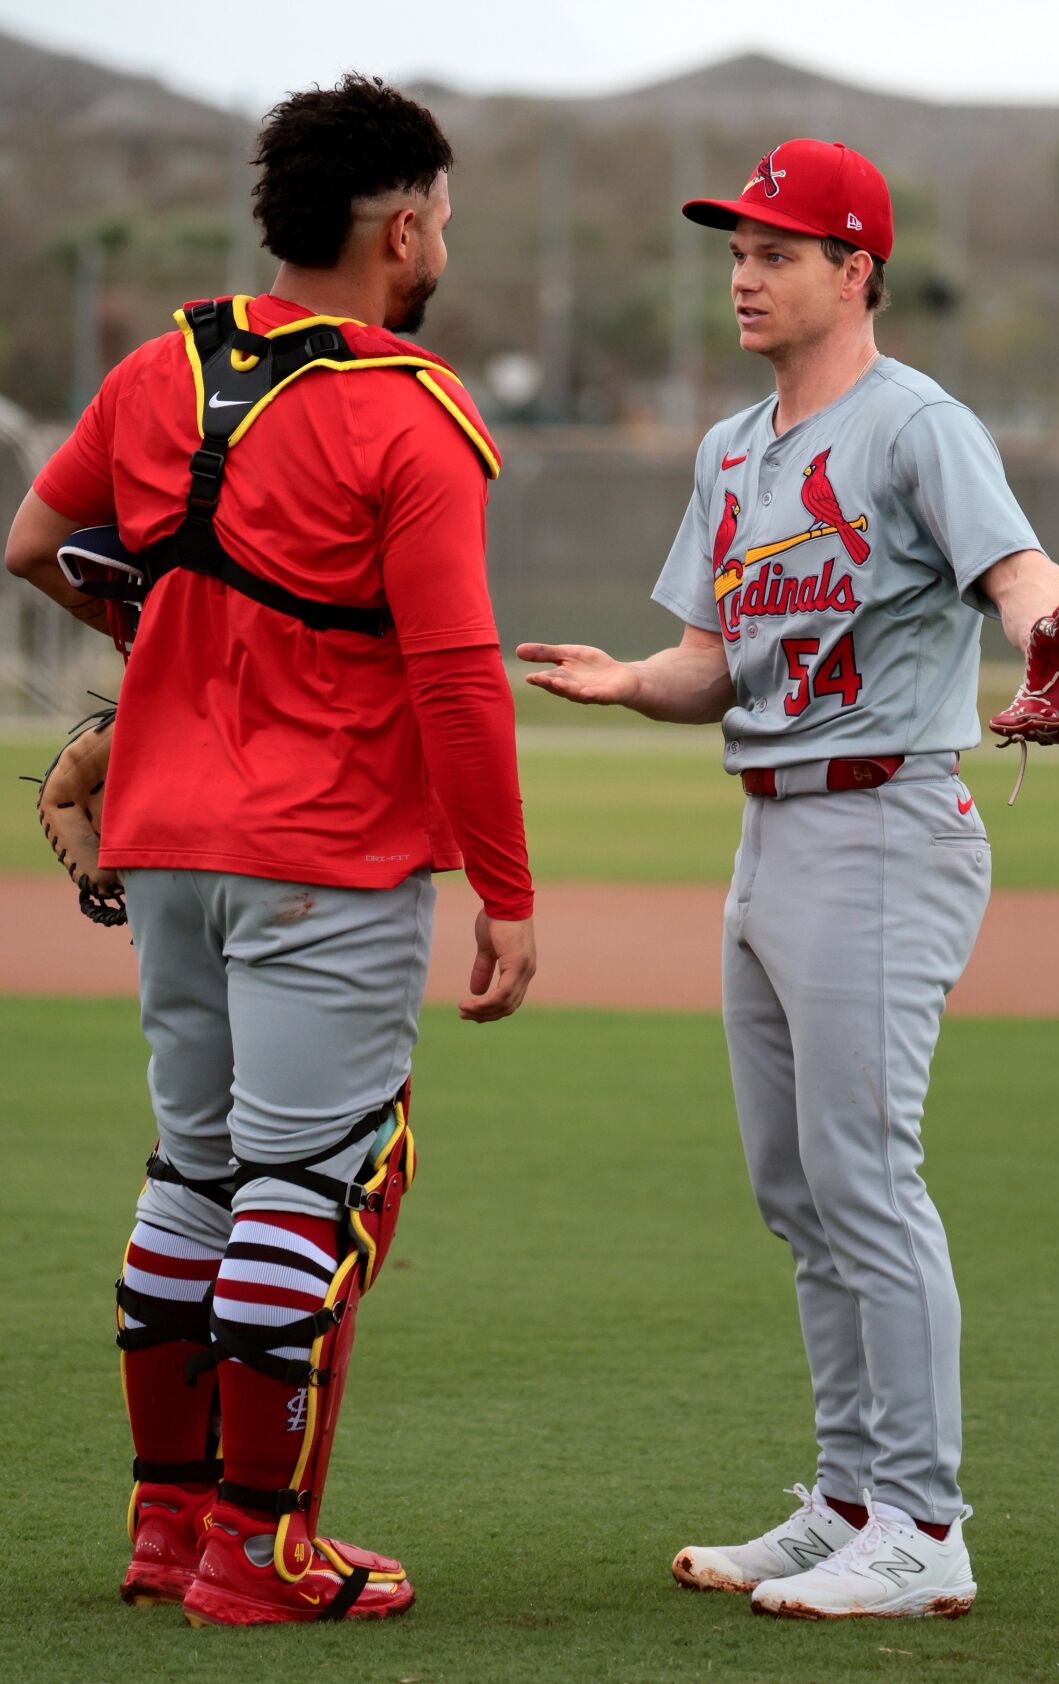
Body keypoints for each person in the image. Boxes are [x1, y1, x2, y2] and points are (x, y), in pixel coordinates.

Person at [519, 137, 1059, 1622]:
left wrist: (1055, 625)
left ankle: (924, 1525)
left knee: (863, 1178)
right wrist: (630, 678)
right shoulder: (730, 450)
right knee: (796, 1192)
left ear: (856, 270)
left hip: (883, 822)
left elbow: (1017, 573)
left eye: (774, 250)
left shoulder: (916, 427)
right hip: (769, 829)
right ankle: (845, 1502)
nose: (744, 274)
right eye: (735, 250)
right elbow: (714, 662)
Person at [5, 75, 536, 1626]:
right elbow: (452, 674)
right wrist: (506, 894)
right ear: (402, 226)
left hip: (164, 843)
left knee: (196, 1174)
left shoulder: (158, 369)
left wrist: (164, 648)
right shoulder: (410, 412)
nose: (445, 240)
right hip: (328, 856)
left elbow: (36, 546)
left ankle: (167, 1526)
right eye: (443, 216)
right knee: (313, 1188)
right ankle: (257, 1551)